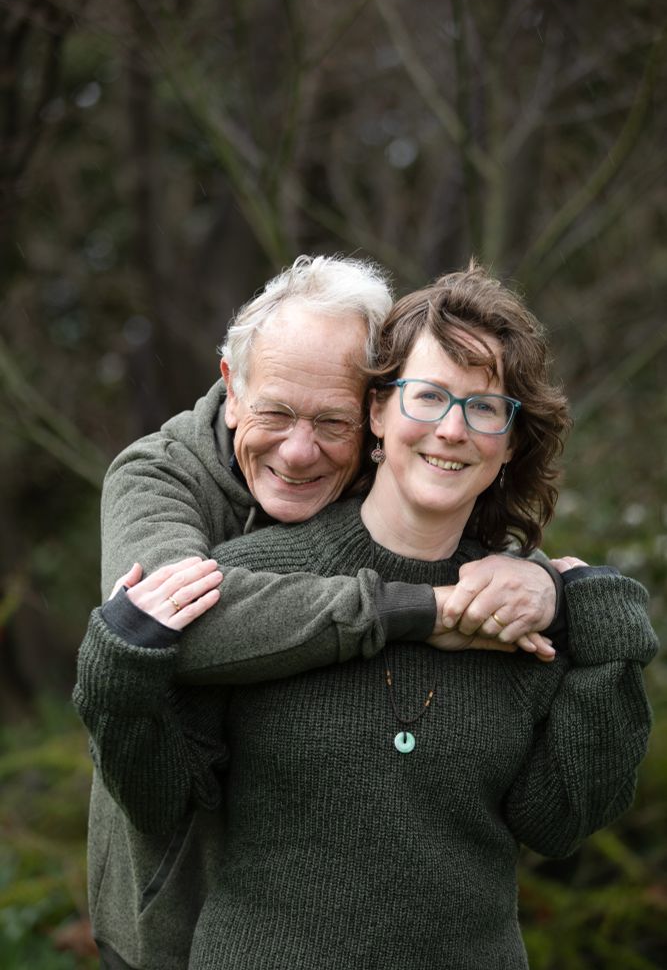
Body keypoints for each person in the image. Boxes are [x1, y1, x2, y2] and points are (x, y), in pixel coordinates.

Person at [75, 262, 657, 969]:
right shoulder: (225, 547)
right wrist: (117, 677)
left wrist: (592, 618)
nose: (450, 430)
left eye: (483, 409)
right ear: (381, 412)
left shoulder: (516, 602)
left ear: (509, 441)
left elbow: (557, 820)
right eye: (428, 397)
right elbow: (164, 758)